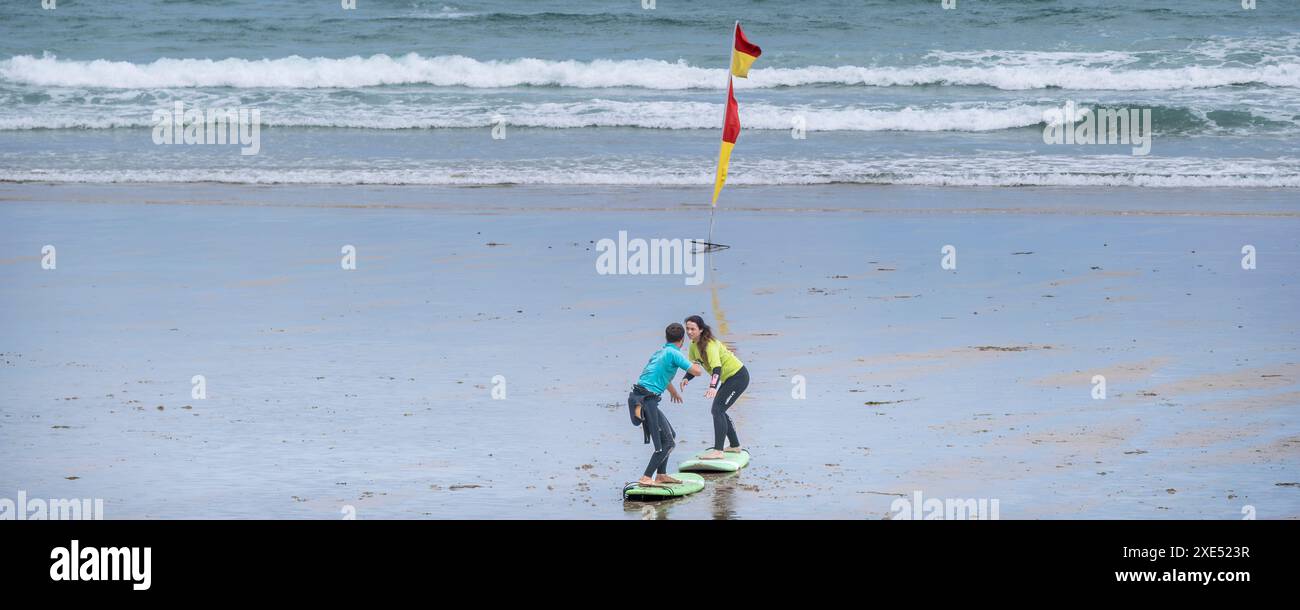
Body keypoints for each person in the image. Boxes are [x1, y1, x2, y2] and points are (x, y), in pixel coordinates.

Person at [628, 323, 705, 487]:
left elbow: (662, 375)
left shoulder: (660, 351)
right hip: (646, 400)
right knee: (668, 442)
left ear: (666, 337)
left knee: (671, 436)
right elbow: (697, 372)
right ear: (682, 340)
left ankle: (661, 475)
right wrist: (699, 360)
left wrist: (673, 391)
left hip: (642, 395)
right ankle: (646, 477)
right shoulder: (674, 354)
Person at [680, 315, 749, 460]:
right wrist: (686, 378)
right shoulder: (693, 346)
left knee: (717, 410)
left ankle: (718, 451)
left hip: (738, 377)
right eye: (688, 329)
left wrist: (712, 387)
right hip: (728, 378)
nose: (689, 332)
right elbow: (696, 366)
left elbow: (716, 368)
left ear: (701, 330)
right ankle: (735, 445)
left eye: (693, 329)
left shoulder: (710, 345)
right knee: (719, 410)